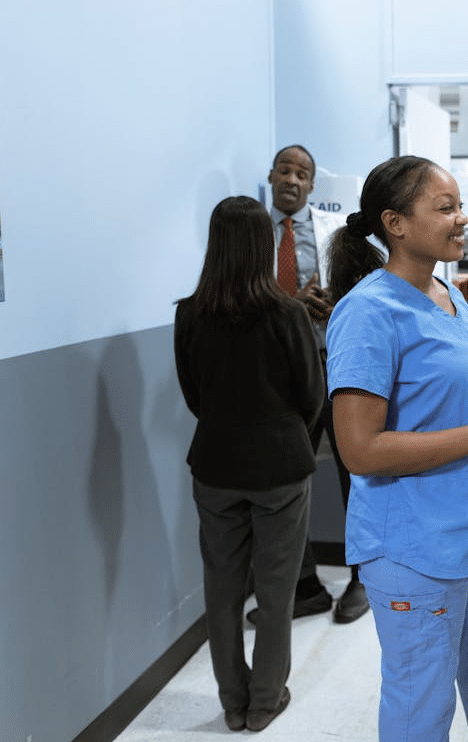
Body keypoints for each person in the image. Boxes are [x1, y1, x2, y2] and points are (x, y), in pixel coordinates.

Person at [325, 155, 468, 742]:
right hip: (414, 546)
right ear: (395, 224)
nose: (462, 218)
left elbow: (452, 401)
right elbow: (360, 450)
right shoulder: (368, 313)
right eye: (446, 208)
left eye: (460, 206)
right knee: (422, 702)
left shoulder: (448, 293)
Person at [174, 196, 324, 732]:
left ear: (214, 244)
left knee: (221, 592)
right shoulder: (288, 313)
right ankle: (265, 701)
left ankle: (233, 703)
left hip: (215, 465)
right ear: (264, 245)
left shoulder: (190, 313)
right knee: (277, 590)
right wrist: (283, 432)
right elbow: (312, 396)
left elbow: (193, 395)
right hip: (281, 467)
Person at [245, 144, 370, 627]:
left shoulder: (334, 231)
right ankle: (305, 587)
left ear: (313, 185)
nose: (292, 180)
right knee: (286, 483)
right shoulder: (253, 237)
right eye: (285, 170)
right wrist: (290, 305)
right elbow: (243, 302)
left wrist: (336, 303)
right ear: (271, 176)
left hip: (335, 367)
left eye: (302, 174)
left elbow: (365, 292)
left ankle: (363, 579)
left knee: (356, 474)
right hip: (282, 378)